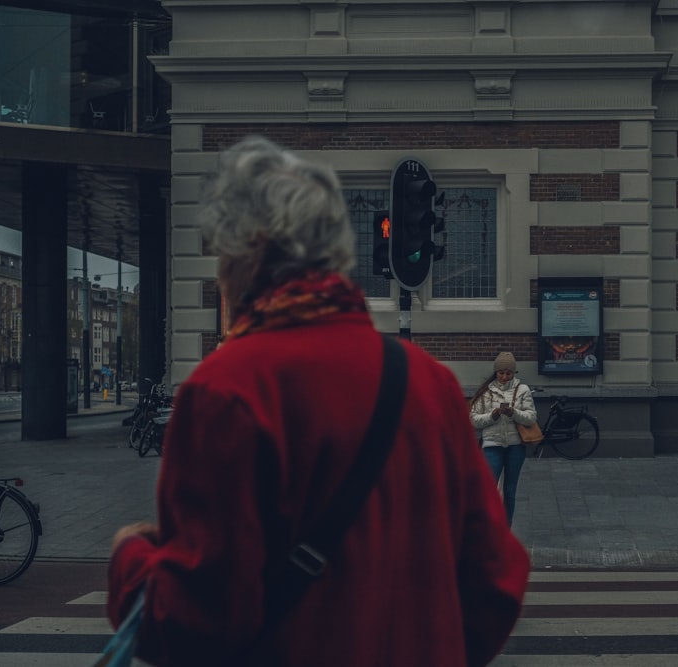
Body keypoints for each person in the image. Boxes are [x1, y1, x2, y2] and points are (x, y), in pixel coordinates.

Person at [106, 136, 530, 666]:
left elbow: (193, 622)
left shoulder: (227, 392)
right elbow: (496, 578)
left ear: (247, 253)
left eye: (221, 254)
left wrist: (129, 559)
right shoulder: (429, 383)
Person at [469, 351, 538, 526]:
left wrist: (513, 413)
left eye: (508, 373)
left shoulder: (522, 390)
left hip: (515, 446)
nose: (505, 377)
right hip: (492, 445)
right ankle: (489, 528)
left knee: (510, 490)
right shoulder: (487, 392)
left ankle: (505, 530)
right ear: (496, 372)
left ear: (514, 373)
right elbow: (474, 419)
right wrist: (492, 416)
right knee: (488, 490)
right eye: (501, 373)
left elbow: (531, 417)